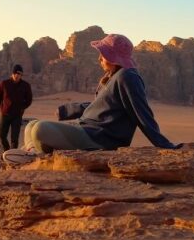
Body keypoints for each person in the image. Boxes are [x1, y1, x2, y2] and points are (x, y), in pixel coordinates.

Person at [22, 33, 176, 154]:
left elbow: (142, 113)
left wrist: (165, 145)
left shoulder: (128, 77)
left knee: (39, 129)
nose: (100, 58)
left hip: (100, 138)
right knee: (31, 125)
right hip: (87, 129)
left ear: (113, 58)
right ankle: (31, 152)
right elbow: (102, 106)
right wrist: (68, 110)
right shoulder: (113, 77)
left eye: (103, 54)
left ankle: (34, 154)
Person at [0, 64, 32, 151]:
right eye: (16, 74)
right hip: (5, 114)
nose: (18, 76)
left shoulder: (25, 86)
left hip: (17, 116)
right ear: (12, 73)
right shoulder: (4, 84)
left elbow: (29, 100)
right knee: (1, 135)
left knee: (14, 139)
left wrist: (22, 108)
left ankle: (12, 155)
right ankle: (7, 151)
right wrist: (2, 107)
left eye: (20, 74)